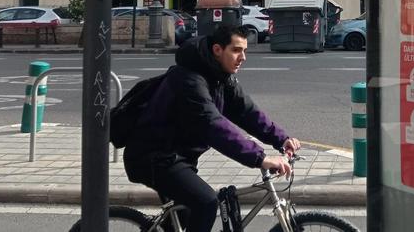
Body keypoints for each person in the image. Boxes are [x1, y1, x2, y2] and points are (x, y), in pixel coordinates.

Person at [124, 25, 301, 231]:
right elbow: (213, 124)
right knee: (206, 202)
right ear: (218, 50)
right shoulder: (189, 80)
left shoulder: (221, 77)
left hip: (178, 157)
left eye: (244, 50)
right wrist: (260, 158)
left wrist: (281, 138)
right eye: (236, 50)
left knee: (186, 218)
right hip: (153, 157)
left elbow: (247, 112)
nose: (242, 57)